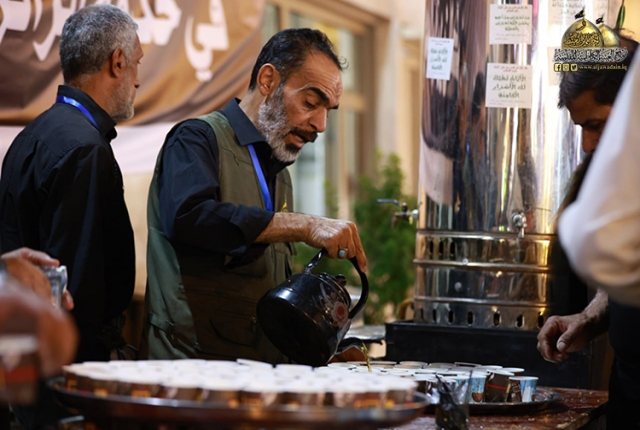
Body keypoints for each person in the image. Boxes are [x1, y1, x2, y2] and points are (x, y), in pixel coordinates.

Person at [142, 28, 367, 364]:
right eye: (310, 103)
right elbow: (191, 217)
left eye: (328, 111)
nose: (320, 125)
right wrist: (303, 226)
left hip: (257, 372)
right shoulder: (197, 138)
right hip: (192, 371)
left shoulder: (281, 174)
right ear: (267, 81)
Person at [0, 4, 142, 428]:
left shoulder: (33, 133)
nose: (138, 79)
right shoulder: (84, 149)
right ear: (118, 62)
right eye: (137, 63)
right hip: (63, 372)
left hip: (23, 356)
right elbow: (78, 284)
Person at [537, 33, 639, 429]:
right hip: (629, 389)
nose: (587, 145)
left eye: (596, 125)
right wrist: (592, 316)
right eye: (581, 128)